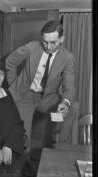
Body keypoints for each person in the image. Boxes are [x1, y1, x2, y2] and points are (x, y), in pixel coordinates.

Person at [6, 20, 76, 153]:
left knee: (72, 108)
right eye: (45, 42)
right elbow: (9, 63)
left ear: (62, 39)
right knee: (23, 136)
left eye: (53, 42)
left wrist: (65, 103)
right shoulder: (31, 48)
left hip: (47, 99)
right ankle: (23, 167)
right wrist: (14, 84)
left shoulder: (68, 58)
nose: (48, 46)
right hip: (25, 96)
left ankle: (60, 151)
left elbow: (69, 87)